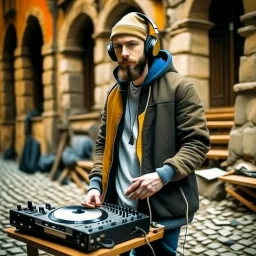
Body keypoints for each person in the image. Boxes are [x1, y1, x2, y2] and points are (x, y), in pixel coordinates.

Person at [82, 12, 210, 256]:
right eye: (118, 47)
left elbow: (197, 143)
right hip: (116, 210)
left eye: (132, 44)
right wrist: (95, 185)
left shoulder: (180, 88)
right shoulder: (113, 96)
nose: (124, 53)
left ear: (150, 47)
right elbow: (102, 147)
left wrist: (163, 175)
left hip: (160, 211)